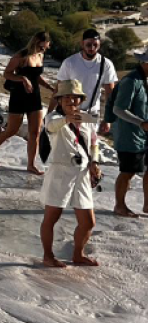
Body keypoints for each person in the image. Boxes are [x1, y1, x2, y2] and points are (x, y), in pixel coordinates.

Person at [39, 79, 103, 267]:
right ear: (59, 100)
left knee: (88, 222)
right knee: (52, 216)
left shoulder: (86, 119)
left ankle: (78, 254)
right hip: (61, 171)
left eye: (75, 98)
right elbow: (51, 127)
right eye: (67, 98)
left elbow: (93, 143)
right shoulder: (52, 117)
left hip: (82, 172)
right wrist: (67, 119)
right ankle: (48, 256)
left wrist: (95, 162)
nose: (71, 102)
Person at [0, 31, 54, 175]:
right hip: (18, 95)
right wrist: (23, 79)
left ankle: (31, 164)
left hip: (34, 96)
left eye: (46, 48)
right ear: (35, 43)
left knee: (35, 132)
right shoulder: (20, 56)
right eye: (42, 47)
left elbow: (36, 76)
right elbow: (7, 73)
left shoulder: (40, 56)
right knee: (12, 129)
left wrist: (49, 87)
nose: (44, 50)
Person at [54, 29, 118, 137]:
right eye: (88, 45)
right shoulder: (70, 62)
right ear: (82, 44)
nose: (92, 48)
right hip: (70, 113)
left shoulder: (106, 64)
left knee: (91, 147)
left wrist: (108, 119)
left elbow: (110, 94)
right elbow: (59, 90)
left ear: (99, 45)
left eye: (95, 45)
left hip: (91, 114)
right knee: (71, 148)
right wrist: (50, 113)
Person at [108, 50, 148, 218]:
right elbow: (118, 109)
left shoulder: (144, 79)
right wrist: (141, 123)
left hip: (144, 134)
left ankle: (147, 205)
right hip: (130, 135)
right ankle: (120, 205)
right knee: (128, 171)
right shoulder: (131, 81)